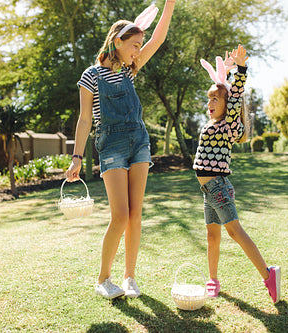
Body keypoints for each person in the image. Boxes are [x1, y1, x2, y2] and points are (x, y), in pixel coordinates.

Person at [66, 1, 176, 299]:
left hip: (139, 142)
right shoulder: (91, 75)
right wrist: (77, 157)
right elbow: (85, 118)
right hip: (110, 144)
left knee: (136, 213)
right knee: (120, 216)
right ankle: (103, 279)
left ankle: (129, 278)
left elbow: (159, 38)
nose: (139, 51)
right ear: (118, 41)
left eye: (140, 45)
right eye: (134, 45)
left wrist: (170, 5)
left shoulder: (130, 69)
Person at [193, 44, 281, 303]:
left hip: (217, 187)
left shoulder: (229, 124)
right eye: (209, 98)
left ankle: (268, 275)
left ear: (228, 105)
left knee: (235, 232)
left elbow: (237, 91)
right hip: (208, 190)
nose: (210, 103)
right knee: (212, 234)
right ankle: (212, 279)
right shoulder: (211, 124)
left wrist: (240, 69)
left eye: (216, 99)